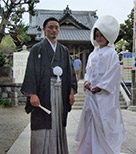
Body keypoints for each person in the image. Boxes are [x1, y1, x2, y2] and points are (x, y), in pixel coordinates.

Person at [21, 17, 77, 154]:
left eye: (56, 27)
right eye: (50, 27)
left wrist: (71, 92)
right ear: (44, 29)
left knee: (57, 123)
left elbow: (70, 72)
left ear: (59, 30)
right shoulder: (37, 49)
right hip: (43, 93)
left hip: (60, 92)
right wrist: (32, 94)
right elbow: (31, 71)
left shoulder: (63, 50)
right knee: (42, 122)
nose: (53, 30)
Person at [75, 15, 126, 154]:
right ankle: (90, 149)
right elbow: (88, 71)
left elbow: (114, 73)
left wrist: (102, 86)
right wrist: (86, 81)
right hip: (92, 95)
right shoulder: (92, 54)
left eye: (102, 35)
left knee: (105, 124)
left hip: (105, 96)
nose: (99, 38)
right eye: (96, 35)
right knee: (91, 122)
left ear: (108, 35)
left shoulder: (112, 53)